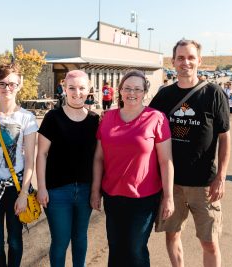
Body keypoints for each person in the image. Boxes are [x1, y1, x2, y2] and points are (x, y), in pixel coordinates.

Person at [150, 39, 231, 267]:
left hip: (205, 184)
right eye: (181, 58)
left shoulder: (213, 93)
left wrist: (221, 177)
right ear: (173, 62)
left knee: (210, 242)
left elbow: (224, 137)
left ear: (199, 61)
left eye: (191, 57)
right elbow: (145, 127)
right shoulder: (164, 96)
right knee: (172, 234)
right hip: (171, 185)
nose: (186, 62)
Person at [91, 70, 174, 267]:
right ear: (119, 91)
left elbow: (166, 161)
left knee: (136, 249)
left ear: (145, 92)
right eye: (127, 88)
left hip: (144, 198)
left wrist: (168, 197)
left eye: (137, 89)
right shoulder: (107, 119)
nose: (132, 93)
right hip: (113, 195)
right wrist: (95, 191)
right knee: (116, 247)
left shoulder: (157, 118)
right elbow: (98, 158)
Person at [36, 70, 99, 267]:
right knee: (60, 241)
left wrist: (96, 190)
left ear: (88, 89)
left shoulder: (95, 120)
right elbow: (41, 154)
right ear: (64, 89)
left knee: (80, 239)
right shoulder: (53, 118)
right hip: (57, 191)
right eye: (72, 88)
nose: (77, 92)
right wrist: (42, 187)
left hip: (85, 191)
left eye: (81, 88)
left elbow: (99, 158)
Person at [0, 63, 38, 266]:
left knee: (14, 240)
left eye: (12, 84)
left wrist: (23, 195)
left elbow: (30, 158)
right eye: (2, 83)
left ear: (19, 85)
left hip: (15, 186)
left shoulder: (27, 118)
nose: (7, 88)